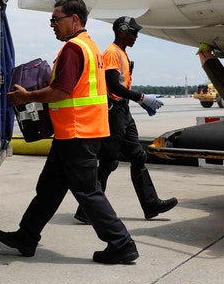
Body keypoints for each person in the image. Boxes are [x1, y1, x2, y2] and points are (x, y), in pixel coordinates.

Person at [0, 0, 138, 265]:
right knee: (49, 188)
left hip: (78, 133)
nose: (52, 25)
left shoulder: (74, 49)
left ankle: (122, 243)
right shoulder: (90, 46)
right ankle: (26, 236)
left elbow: (61, 91)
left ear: (74, 20)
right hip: (74, 133)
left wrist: (26, 97)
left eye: (55, 19)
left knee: (87, 191)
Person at [73, 16, 178, 224]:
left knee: (138, 156)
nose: (136, 36)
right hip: (114, 112)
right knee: (108, 161)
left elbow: (122, 86)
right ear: (122, 31)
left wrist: (138, 102)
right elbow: (112, 86)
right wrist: (141, 97)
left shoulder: (121, 53)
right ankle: (86, 210)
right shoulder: (112, 53)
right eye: (133, 32)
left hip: (123, 111)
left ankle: (151, 204)